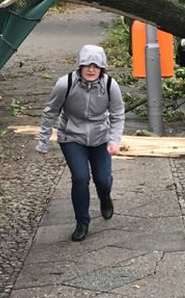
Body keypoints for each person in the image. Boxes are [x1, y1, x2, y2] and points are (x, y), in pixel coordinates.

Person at [36, 44, 125, 242]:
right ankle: (82, 221)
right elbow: (50, 112)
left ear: (102, 68)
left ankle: (105, 197)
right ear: (79, 66)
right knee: (80, 177)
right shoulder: (65, 84)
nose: (91, 69)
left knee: (102, 179)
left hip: (101, 137)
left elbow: (118, 114)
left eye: (96, 65)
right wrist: (43, 140)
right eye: (86, 65)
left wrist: (114, 140)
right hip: (71, 136)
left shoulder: (111, 85)